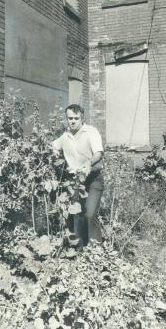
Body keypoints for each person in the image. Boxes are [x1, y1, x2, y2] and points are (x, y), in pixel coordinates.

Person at [52, 104, 104, 247]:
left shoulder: (91, 132)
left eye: (76, 118)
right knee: (78, 215)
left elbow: (99, 153)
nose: (73, 121)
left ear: (82, 118)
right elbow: (53, 146)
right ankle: (80, 249)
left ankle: (96, 250)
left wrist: (88, 163)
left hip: (93, 178)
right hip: (75, 182)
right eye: (70, 118)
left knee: (90, 213)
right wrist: (54, 152)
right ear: (66, 119)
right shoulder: (65, 136)